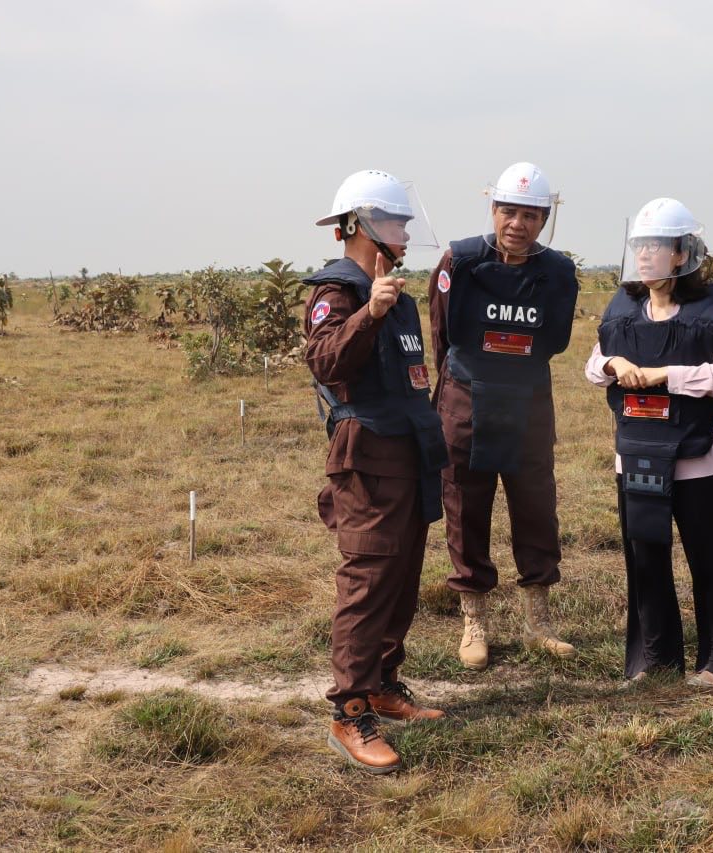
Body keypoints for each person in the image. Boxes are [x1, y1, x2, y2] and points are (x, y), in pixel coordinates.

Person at [305, 170, 449, 774]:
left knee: (401, 576)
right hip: (366, 461)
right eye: (394, 222)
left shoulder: (399, 296)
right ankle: (350, 711)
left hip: (409, 455)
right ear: (358, 226)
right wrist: (368, 312)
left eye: (406, 222)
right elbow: (324, 360)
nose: (405, 233)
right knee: (365, 583)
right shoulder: (337, 293)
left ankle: (385, 683)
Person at [585, 198, 713, 687]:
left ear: (681, 254)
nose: (645, 254)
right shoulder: (622, 310)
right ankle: (655, 660)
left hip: (695, 461)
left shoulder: (706, 312)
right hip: (635, 457)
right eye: (640, 245)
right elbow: (592, 368)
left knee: (707, 560)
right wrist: (613, 364)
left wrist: (666, 375)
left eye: (656, 245)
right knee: (645, 559)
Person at [428, 162, 579, 670]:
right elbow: (442, 334)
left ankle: (538, 621)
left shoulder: (558, 271)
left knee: (536, 509)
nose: (518, 224)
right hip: (466, 401)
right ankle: (474, 620)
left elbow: (555, 340)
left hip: (527, 404)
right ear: (492, 209)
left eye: (530, 215)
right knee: (465, 509)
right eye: (508, 211)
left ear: (544, 220)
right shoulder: (460, 260)